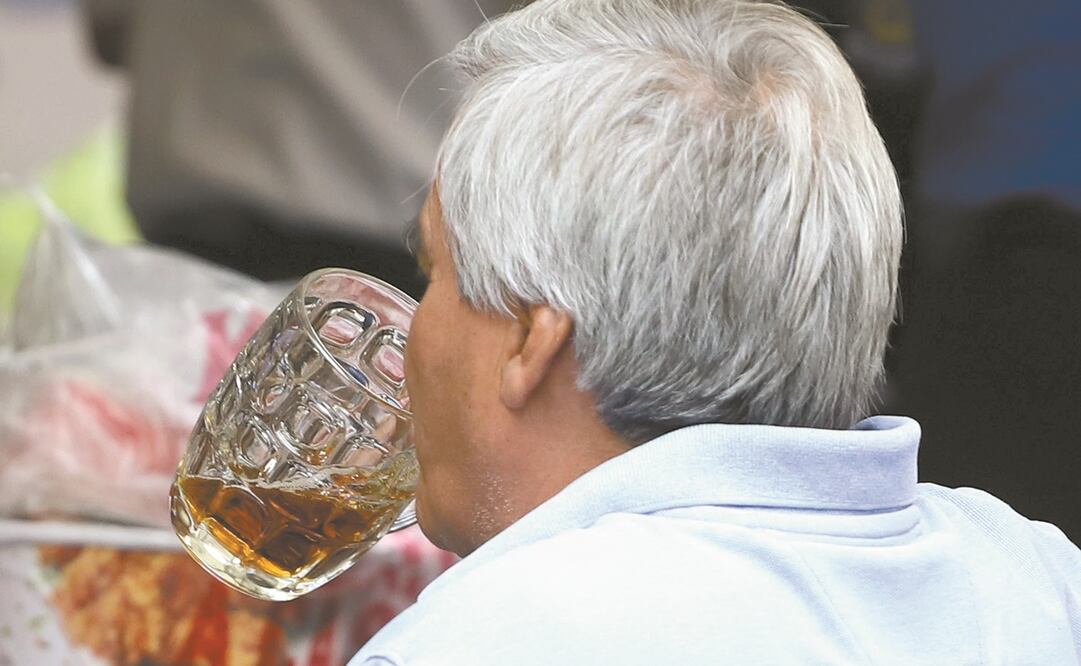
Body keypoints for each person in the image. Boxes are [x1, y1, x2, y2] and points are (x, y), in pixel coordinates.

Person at [352, 1, 1081, 663]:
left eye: (434, 272)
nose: (418, 328)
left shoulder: (483, 641)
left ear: (528, 338)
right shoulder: (1041, 577)